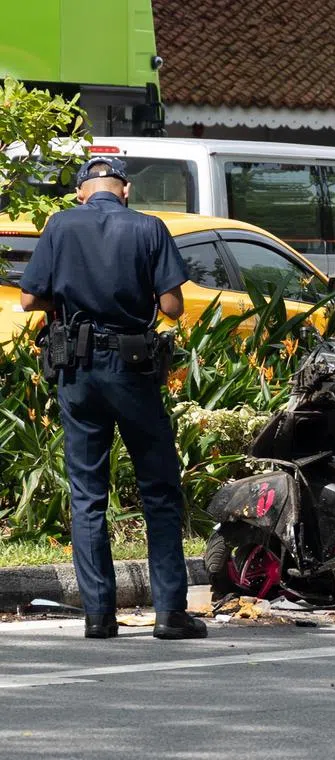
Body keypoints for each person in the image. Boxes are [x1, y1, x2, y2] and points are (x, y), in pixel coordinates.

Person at [19, 157, 207, 640]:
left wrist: (69, 299)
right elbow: (171, 307)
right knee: (159, 490)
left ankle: (98, 616)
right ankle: (169, 613)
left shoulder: (59, 226)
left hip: (77, 371)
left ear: (82, 192)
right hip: (133, 369)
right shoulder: (150, 227)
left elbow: (27, 299)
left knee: (87, 495)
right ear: (124, 190)